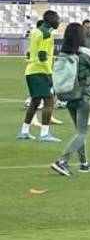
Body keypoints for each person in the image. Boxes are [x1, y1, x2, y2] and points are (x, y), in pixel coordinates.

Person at [48, 23, 90, 176]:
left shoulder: (64, 54)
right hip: (85, 96)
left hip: (69, 96)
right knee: (83, 132)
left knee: (79, 132)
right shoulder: (83, 55)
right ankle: (62, 161)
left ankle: (84, 163)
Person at [19, 9, 61, 142]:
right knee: (49, 100)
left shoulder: (36, 31)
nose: (58, 21)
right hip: (40, 71)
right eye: (57, 19)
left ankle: (24, 131)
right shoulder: (46, 34)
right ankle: (44, 134)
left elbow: (30, 52)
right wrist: (49, 73)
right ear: (51, 20)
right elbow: (43, 56)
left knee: (35, 102)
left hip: (31, 70)